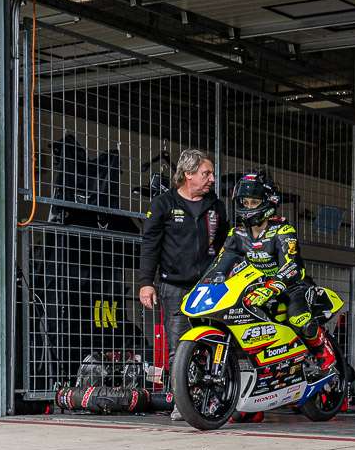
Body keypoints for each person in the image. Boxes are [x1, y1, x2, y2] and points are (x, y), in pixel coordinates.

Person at [202, 172, 336, 375]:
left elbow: (293, 266)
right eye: (245, 202)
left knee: (298, 319)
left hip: (291, 287)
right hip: (255, 288)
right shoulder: (236, 233)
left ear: (268, 202)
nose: (248, 207)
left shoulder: (283, 230)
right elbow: (220, 264)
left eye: (254, 202)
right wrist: (207, 284)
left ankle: (323, 352)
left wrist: (272, 286)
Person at [138, 148, 228, 419]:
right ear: (188, 174)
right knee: (179, 348)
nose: (212, 179)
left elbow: (224, 245)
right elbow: (150, 245)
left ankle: (213, 399)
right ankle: (184, 403)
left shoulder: (216, 206)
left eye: (211, 174)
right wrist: (146, 282)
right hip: (175, 287)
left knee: (214, 343)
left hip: (210, 288)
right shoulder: (163, 204)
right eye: (206, 173)